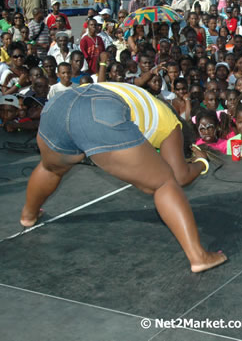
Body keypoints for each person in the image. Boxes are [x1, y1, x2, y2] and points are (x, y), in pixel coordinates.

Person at [19, 82, 227, 273]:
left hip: (59, 105)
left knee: (51, 168)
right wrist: (201, 164)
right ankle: (199, 257)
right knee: (164, 182)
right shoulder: (173, 125)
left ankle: (29, 216)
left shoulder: (145, 102)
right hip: (98, 112)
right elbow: (180, 176)